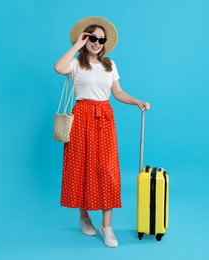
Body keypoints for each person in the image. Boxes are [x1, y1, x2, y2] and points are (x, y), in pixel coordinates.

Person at [54, 16, 150, 248]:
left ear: (105, 42)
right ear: (85, 38)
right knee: (81, 167)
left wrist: (137, 101)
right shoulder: (76, 64)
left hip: (104, 119)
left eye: (101, 39)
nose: (96, 42)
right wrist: (77, 45)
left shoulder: (110, 65)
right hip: (81, 118)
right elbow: (58, 68)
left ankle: (107, 227)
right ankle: (84, 218)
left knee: (107, 171)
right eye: (92, 38)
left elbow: (117, 93)